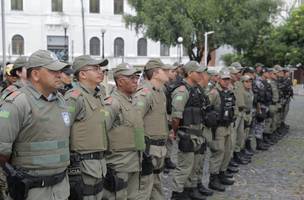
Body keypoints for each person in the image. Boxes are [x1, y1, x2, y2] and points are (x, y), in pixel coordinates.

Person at [0, 49, 71, 200]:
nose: (60, 74)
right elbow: (2, 152)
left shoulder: (61, 100)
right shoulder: (18, 102)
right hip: (31, 191)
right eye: (53, 70)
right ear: (36, 75)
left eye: (60, 70)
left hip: (60, 189)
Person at [65, 55, 109, 200]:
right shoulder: (75, 97)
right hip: (83, 165)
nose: (100, 72)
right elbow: (63, 129)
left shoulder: (98, 95)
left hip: (99, 164)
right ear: (82, 74)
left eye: (100, 68)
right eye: (95, 68)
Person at [102, 63, 145, 200]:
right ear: (120, 81)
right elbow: (100, 131)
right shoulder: (112, 103)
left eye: (136, 77)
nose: (135, 80)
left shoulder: (130, 101)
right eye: (131, 77)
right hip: (118, 166)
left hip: (133, 163)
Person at [134, 58, 171, 200]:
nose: (168, 73)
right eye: (164, 70)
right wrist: (141, 149)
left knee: (157, 184)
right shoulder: (145, 92)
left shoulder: (160, 91)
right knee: (144, 188)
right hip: (148, 148)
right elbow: (135, 121)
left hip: (159, 147)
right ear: (155, 73)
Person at [170, 61, 207, 200]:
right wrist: (175, 132)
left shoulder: (196, 89)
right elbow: (176, 117)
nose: (201, 75)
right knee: (184, 167)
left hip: (197, 134)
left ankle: (189, 190)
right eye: (198, 72)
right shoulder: (182, 91)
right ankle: (177, 194)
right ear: (190, 73)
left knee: (194, 165)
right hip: (187, 134)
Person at [208, 69, 236, 192]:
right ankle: (213, 179)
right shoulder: (214, 92)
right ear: (219, 79)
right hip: (218, 128)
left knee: (227, 151)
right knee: (218, 152)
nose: (226, 81)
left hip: (228, 125)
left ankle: (222, 173)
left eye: (228, 79)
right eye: (224, 79)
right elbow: (206, 108)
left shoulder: (229, 91)